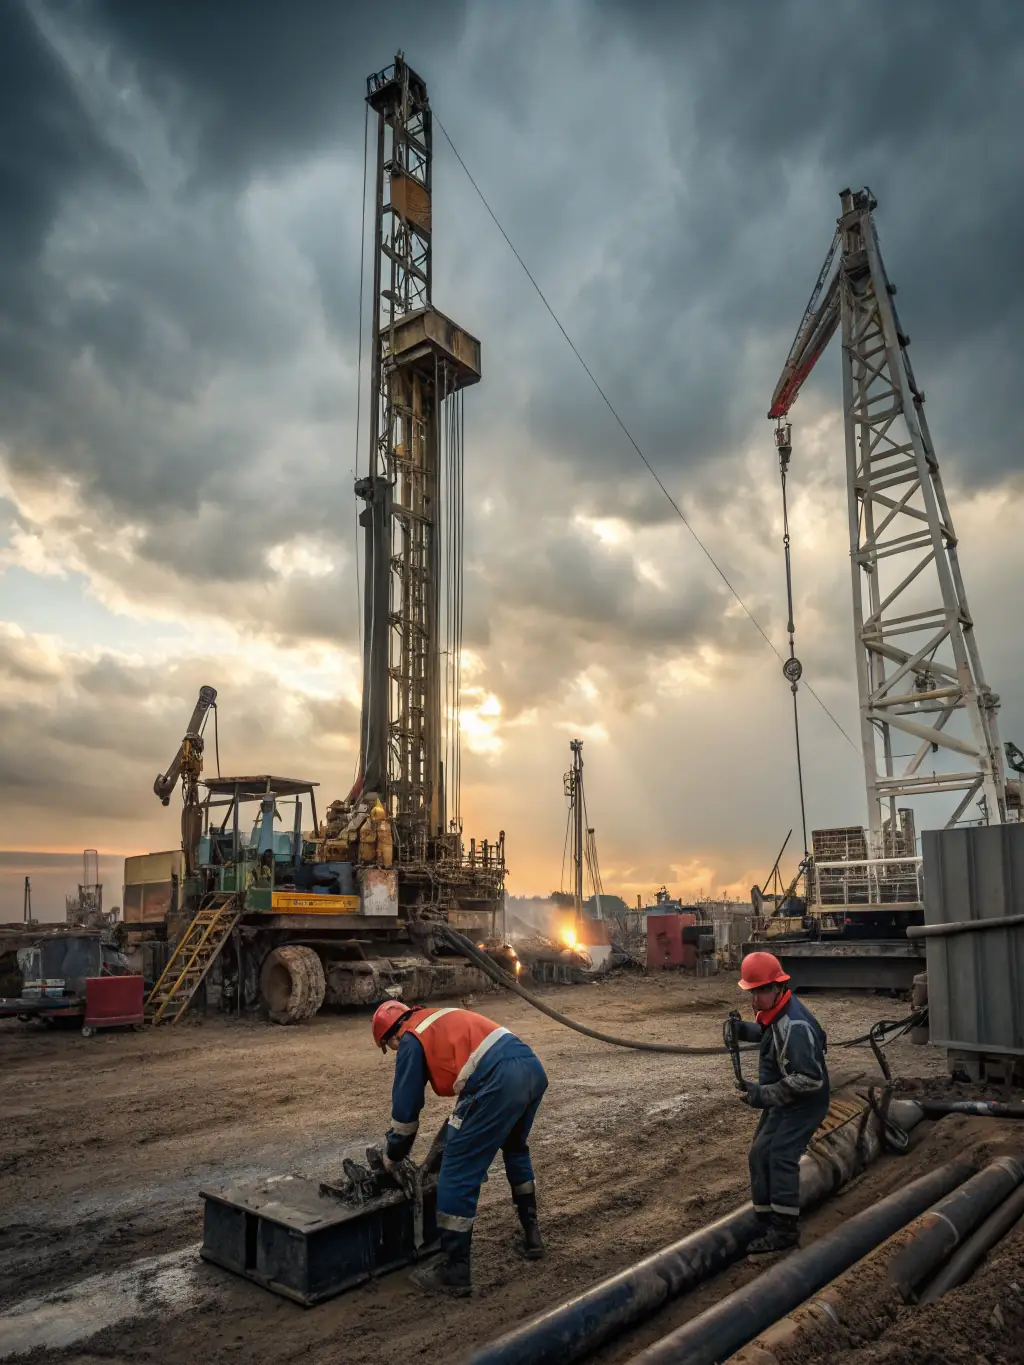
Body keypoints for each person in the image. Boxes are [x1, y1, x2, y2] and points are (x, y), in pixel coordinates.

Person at [371, 1000, 548, 1296]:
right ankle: (532, 1235)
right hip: (530, 1069)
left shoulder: (411, 1038)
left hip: (499, 1080)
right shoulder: (436, 1019)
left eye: (390, 1046)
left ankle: (455, 1269)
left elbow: (405, 1115)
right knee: (515, 1148)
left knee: (457, 1168)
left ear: (393, 1034)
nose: (396, 1051)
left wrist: (393, 1155)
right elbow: (466, 1102)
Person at [726, 950, 830, 1256]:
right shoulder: (778, 1011)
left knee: (780, 1155)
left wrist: (762, 1095)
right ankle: (765, 1219)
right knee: (759, 1152)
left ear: (778, 988)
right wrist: (742, 1030)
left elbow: (810, 1080)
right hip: (784, 1099)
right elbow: (767, 1031)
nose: (755, 999)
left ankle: (784, 1230)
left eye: (760, 991)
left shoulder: (794, 1026)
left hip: (804, 1103)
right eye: (752, 992)